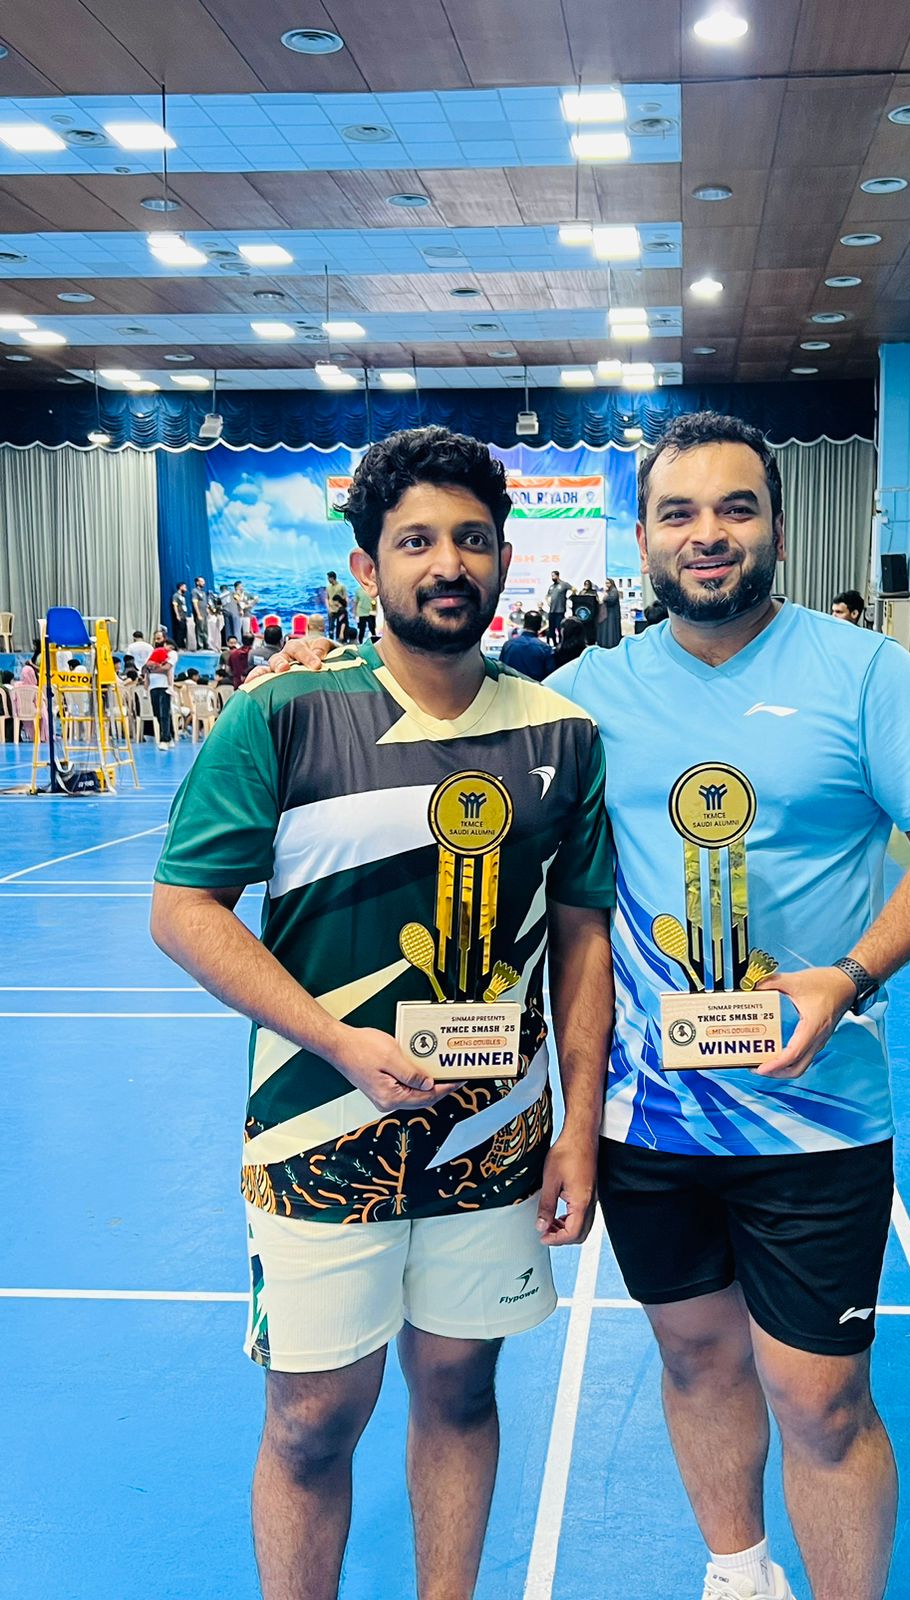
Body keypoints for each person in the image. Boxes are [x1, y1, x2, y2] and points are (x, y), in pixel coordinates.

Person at [150, 425, 615, 1600]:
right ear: (367, 567)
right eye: (415, 541)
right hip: (316, 1130)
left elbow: (582, 939)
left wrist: (577, 1126)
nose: (446, 563)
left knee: (460, 1388)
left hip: (493, 1138)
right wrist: (335, 1038)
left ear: (503, 558)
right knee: (312, 1418)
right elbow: (183, 910)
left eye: (471, 538)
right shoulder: (285, 715)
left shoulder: (562, 734)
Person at [547, 412, 910, 1600]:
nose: (708, 534)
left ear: (779, 531)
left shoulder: (864, 673)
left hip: (816, 1112)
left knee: (822, 1395)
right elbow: (560, 905)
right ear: (643, 539)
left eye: (735, 508)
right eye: (679, 513)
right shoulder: (582, 696)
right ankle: (739, 1572)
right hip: (649, 1119)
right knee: (696, 1360)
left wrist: (851, 975)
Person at [499, 608, 554, 682]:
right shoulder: (545, 649)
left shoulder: (508, 645)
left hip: (511, 686)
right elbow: (550, 676)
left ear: (524, 624)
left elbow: (500, 669)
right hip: (535, 687)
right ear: (540, 626)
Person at [142, 642, 176, 749]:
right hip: (153, 687)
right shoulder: (151, 659)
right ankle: (169, 736)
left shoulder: (170, 656)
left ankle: (164, 740)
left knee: (164, 714)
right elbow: (145, 671)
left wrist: (153, 669)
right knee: (157, 713)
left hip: (164, 687)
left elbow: (166, 669)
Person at [544, 569, 571, 646]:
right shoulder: (552, 586)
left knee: (559, 628)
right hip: (552, 611)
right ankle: (554, 643)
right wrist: (547, 600)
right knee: (551, 629)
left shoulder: (564, 584)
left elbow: (573, 589)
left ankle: (560, 643)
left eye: (553, 576)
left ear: (557, 576)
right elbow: (547, 595)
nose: (552, 578)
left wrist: (569, 597)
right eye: (551, 576)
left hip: (560, 610)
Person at [571, 579, 599, 645]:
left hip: (591, 617)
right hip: (581, 617)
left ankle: (591, 640)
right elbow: (577, 600)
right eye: (585, 584)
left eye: (588, 584)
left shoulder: (593, 592)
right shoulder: (582, 592)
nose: (586, 585)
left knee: (590, 629)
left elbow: (597, 600)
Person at [596, 578, 622, 648]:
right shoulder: (609, 591)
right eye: (606, 583)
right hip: (608, 613)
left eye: (608, 583)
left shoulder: (614, 591)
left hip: (612, 614)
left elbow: (611, 600)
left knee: (611, 630)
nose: (607, 585)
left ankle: (611, 643)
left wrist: (604, 597)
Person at [326, 570, 349, 642]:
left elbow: (345, 597)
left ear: (332, 578)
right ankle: (331, 641)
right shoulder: (328, 587)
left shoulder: (341, 586)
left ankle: (340, 641)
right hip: (331, 610)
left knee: (341, 625)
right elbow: (327, 598)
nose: (328, 580)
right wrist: (328, 608)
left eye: (329, 578)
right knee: (331, 627)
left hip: (339, 609)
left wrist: (345, 607)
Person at [170, 582, 190, 651]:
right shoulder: (176, 595)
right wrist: (177, 615)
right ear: (180, 587)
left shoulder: (183, 596)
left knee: (184, 631)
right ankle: (178, 646)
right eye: (184, 587)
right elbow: (175, 605)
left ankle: (183, 645)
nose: (186, 589)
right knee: (179, 632)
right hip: (179, 616)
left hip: (184, 616)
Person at [191, 576, 209, 649]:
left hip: (205, 614)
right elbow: (195, 603)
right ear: (197, 582)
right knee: (200, 630)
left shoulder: (203, 592)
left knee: (205, 630)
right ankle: (200, 646)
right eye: (202, 581)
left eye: (204, 581)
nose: (203, 583)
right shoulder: (194, 591)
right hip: (200, 614)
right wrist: (198, 614)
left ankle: (206, 645)